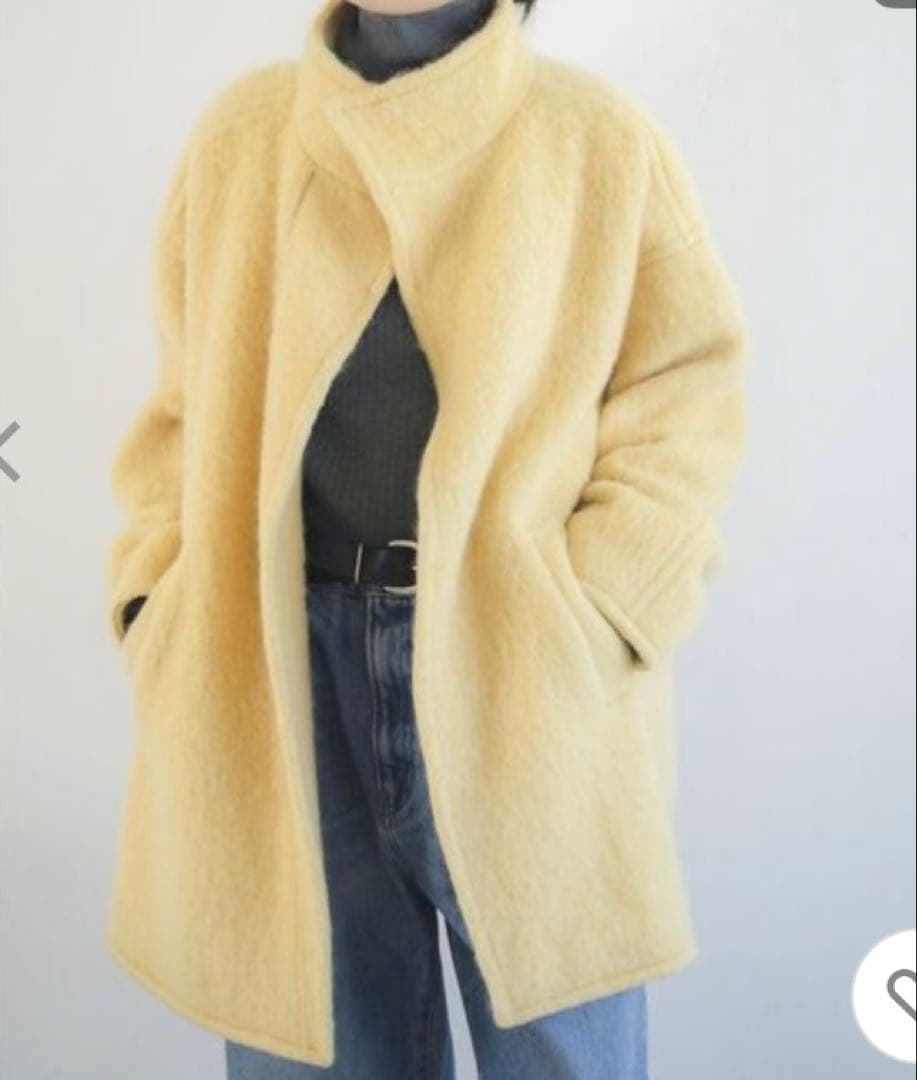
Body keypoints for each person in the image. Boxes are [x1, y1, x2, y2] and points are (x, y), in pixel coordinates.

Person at [105, 0, 749, 1076]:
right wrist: (155, 593)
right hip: (278, 674)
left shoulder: (590, 138)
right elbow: (182, 405)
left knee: (561, 1049)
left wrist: (603, 604)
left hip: (521, 672)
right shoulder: (241, 138)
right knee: (313, 1047)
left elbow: (684, 389)